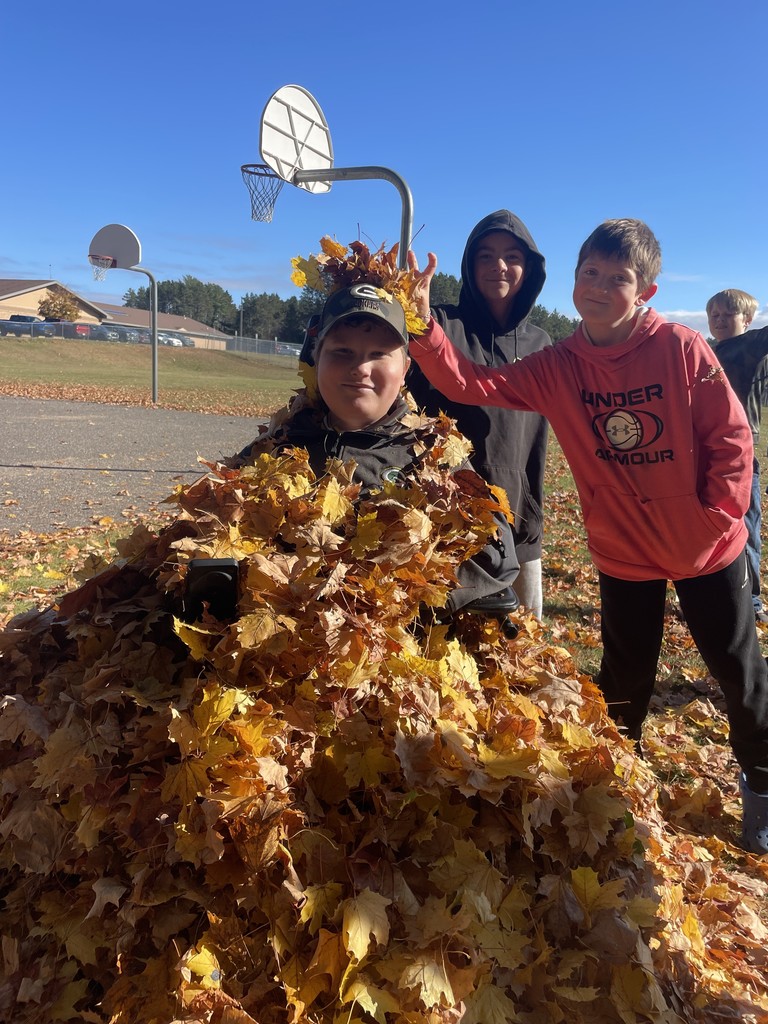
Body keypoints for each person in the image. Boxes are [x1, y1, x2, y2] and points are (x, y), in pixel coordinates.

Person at [407, 218, 768, 855]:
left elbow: (732, 437)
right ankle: (614, 786)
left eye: (617, 279)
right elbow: (468, 382)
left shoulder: (680, 347)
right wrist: (419, 323)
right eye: (589, 275)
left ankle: (762, 786)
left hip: (706, 548)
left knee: (739, 672)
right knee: (624, 677)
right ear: (574, 280)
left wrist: (717, 515)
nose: (598, 288)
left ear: (647, 291)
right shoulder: (560, 366)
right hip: (624, 553)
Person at [233, 282, 520, 619]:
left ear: (406, 370)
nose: (361, 368)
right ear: (316, 357)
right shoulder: (272, 451)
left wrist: (408, 599)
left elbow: (495, 553)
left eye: (379, 355)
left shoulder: (434, 456)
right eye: (342, 352)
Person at [406, 211, 552, 619]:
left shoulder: (542, 343)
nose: (498, 265)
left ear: (530, 267)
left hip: (518, 518)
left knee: (522, 643)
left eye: (511, 255)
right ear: (469, 266)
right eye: (484, 255)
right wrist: (409, 312)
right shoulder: (440, 324)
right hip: (445, 517)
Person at [707, 289, 768, 623]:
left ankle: (752, 601)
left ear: (747, 319)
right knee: (712, 529)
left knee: (746, 528)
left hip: (741, 459)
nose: (718, 319)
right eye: (713, 314)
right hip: (705, 455)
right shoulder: (707, 351)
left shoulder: (753, 344)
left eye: (727, 314)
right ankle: (718, 593)